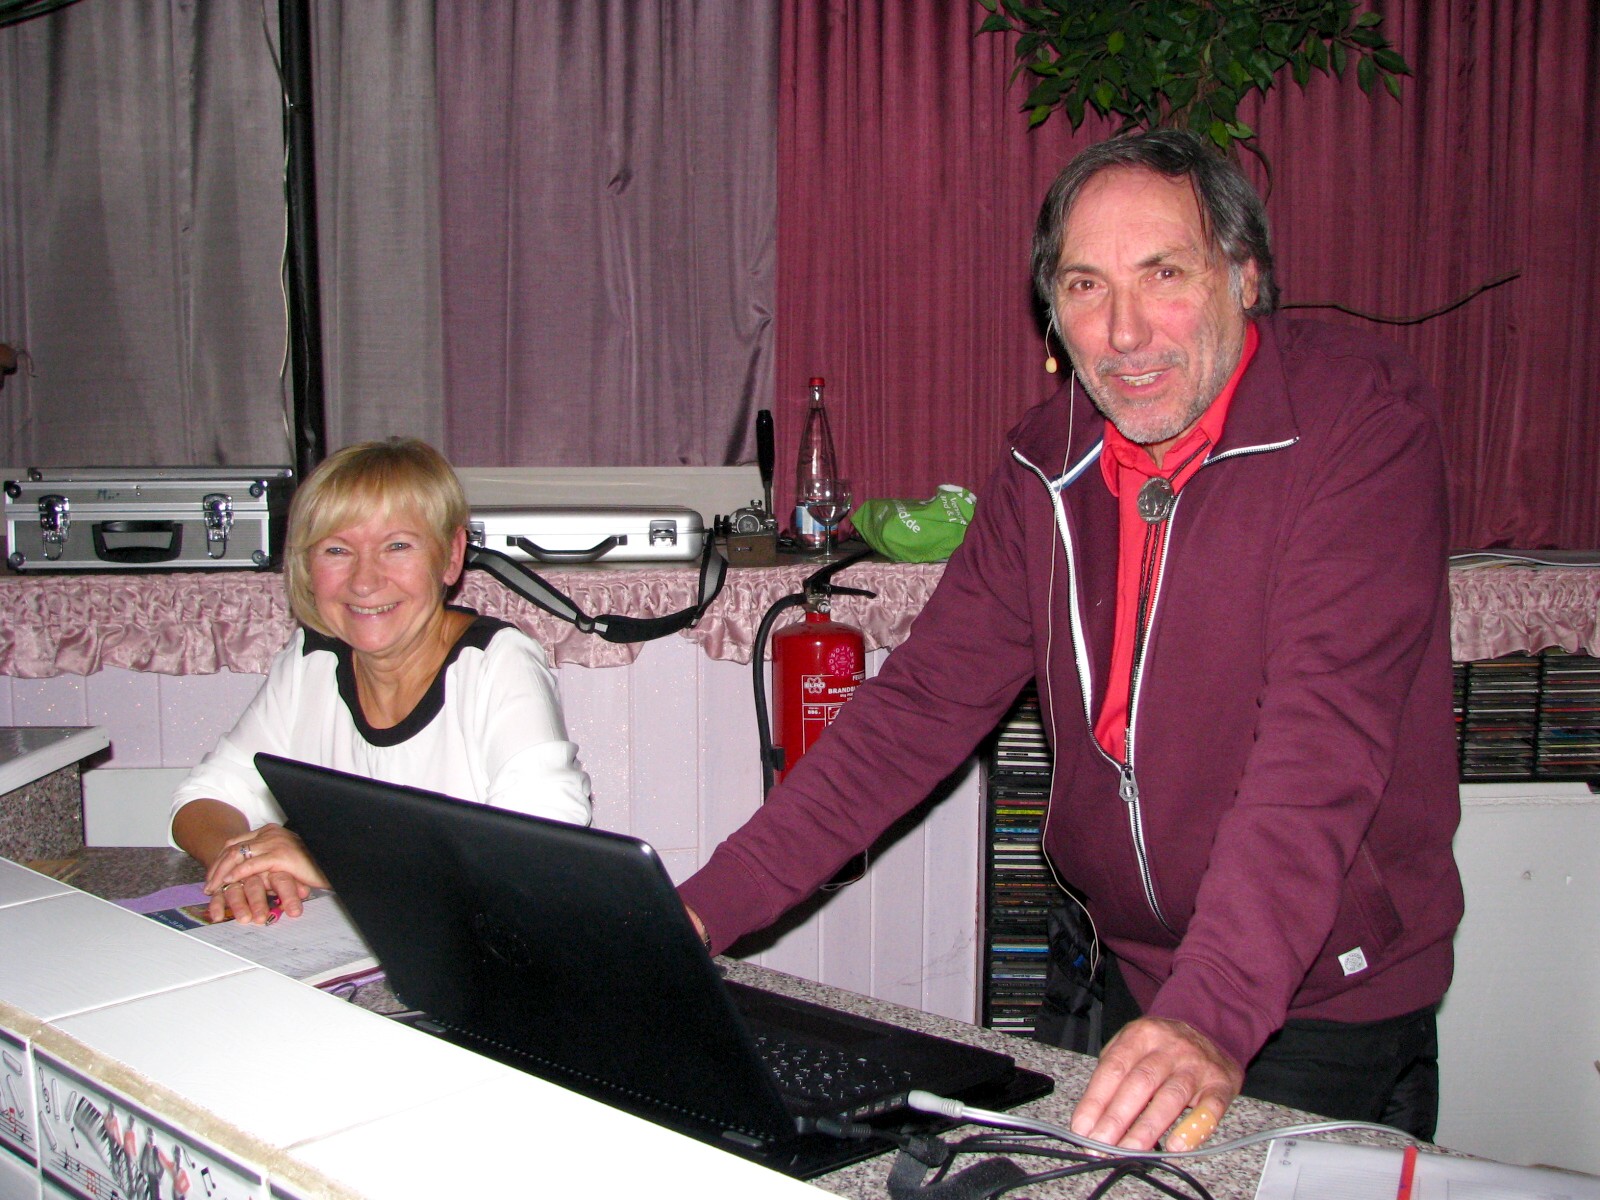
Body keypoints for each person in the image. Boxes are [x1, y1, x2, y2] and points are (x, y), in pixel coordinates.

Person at [679, 129, 1462, 1151]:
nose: (1125, 332)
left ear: (1245, 277)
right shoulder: (1045, 459)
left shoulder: (1356, 422)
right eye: (1086, 286)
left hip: (1320, 994)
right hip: (1137, 979)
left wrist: (1211, 1009)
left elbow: (1320, 742)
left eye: (1164, 275)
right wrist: (696, 917)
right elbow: (918, 708)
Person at [171, 437, 592, 924]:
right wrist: (245, 864)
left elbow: (537, 861)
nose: (365, 581)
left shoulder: (496, 664)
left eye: (397, 546)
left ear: (451, 555)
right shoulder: (312, 659)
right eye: (337, 550)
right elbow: (206, 798)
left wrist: (329, 865)